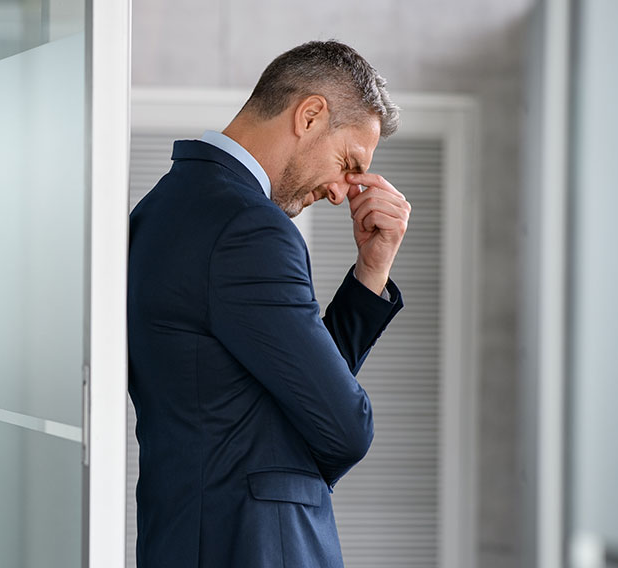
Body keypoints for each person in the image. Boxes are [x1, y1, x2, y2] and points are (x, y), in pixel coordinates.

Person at [127, 40, 410, 567]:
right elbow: (345, 426)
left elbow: (292, 394)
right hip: (257, 547)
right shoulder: (250, 228)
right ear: (310, 114)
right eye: (349, 163)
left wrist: (371, 272)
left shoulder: (159, 209)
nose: (340, 192)